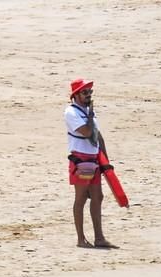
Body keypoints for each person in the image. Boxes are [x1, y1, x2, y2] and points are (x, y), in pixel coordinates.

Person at [65, 78, 117, 249]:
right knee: (80, 198)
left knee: (97, 197)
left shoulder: (88, 113)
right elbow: (87, 132)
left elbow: (98, 136)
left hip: (93, 159)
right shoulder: (71, 113)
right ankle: (81, 239)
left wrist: (106, 162)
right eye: (85, 92)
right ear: (76, 95)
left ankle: (99, 238)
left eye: (90, 92)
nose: (88, 95)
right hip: (81, 161)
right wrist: (89, 116)